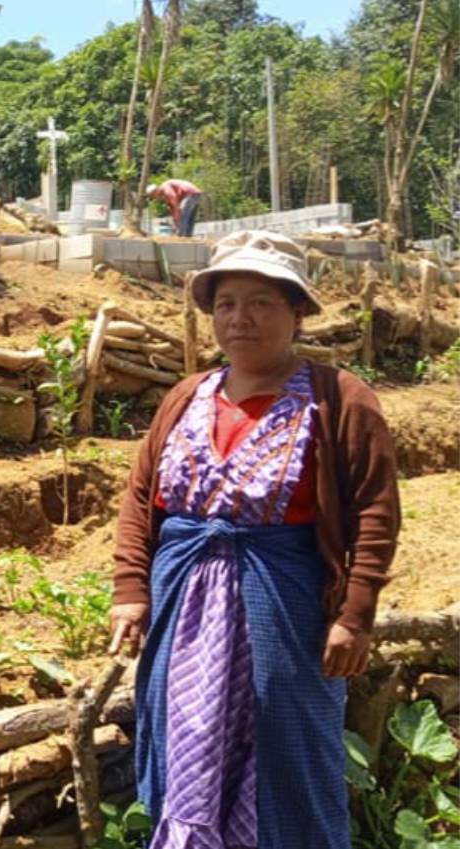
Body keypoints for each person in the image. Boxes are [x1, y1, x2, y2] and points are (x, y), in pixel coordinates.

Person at [109, 230, 400, 848]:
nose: (240, 319)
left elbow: (376, 509)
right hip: (184, 612)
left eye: (262, 303)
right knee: (185, 739)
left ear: (297, 311)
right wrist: (131, 589)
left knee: (289, 749)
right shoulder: (188, 398)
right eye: (226, 304)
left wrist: (355, 615)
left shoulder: (338, 399)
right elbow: (140, 497)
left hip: (286, 611)